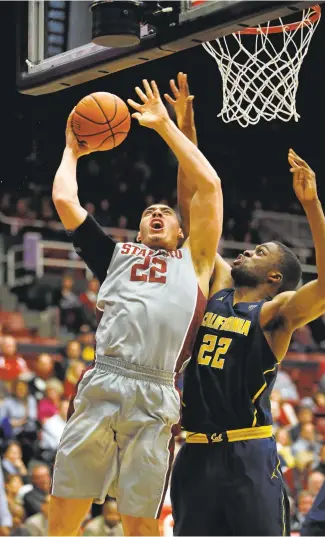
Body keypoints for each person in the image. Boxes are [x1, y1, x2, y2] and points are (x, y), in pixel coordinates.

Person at [49, 78, 222, 537]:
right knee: (66, 508)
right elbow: (65, 199)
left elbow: (209, 187)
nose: (157, 214)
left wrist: (168, 127)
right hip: (105, 378)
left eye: (166, 212)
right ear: (139, 228)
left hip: (156, 389)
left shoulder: (196, 260)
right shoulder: (114, 256)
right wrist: (72, 149)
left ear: (181, 232)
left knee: (141, 521)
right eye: (149, 213)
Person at [168, 73, 325, 536]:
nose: (245, 252)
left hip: (246, 453)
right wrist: (185, 134)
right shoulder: (215, 285)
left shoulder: (277, 315)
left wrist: (313, 206)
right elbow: (193, 208)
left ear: (275, 276)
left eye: (259, 253)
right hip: (194, 451)